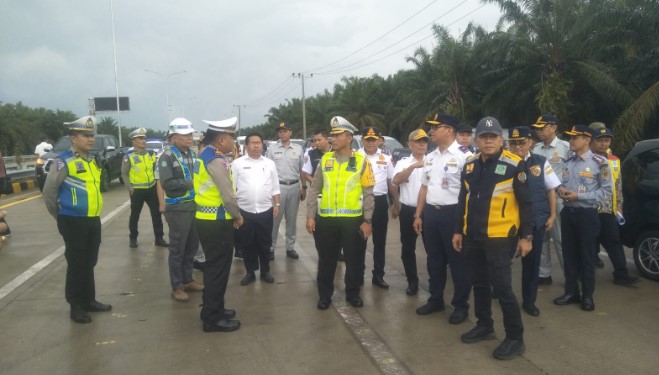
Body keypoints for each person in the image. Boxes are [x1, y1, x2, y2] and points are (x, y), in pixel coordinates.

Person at [453, 116, 533, 360]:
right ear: (477, 140)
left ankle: (515, 338)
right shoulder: (470, 165)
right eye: (483, 137)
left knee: (502, 288)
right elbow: (461, 200)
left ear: (501, 140)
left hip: (501, 238)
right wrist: (458, 230)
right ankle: (485, 325)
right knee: (479, 283)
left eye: (493, 137)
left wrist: (526, 237)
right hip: (473, 236)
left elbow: (527, 203)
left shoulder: (514, 165)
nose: (488, 141)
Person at [42, 116, 112, 323]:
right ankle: (76, 305)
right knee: (76, 263)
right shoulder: (63, 161)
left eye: (91, 135)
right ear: (73, 138)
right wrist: (61, 217)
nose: (90, 139)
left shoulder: (92, 160)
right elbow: (49, 193)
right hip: (73, 220)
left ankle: (89, 299)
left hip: (92, 219)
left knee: (90, 261)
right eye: (85, 135)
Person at [306, 116, 375, 309]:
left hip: (353, 221)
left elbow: (369, 194)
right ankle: (324, 296)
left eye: (337, 135)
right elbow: (314, 189)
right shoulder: (325, 160)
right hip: (326, 220)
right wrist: (311, 216)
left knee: (354, 260)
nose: (332, 139)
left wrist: (367, 220)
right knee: (326, 260)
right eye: (332, 135)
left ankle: (353, 294)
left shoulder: (362, 161)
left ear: (349, 137)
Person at [412, 113, 472, 324]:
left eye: (435, 127)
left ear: (448, 129)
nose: (431, 131)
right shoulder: (430, 157)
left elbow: (470, 192)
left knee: (458, 263)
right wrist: (418, 214)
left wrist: (463, 222)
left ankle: (461, 306)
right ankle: (436, 299)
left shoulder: (465, 156)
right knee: (434, 261)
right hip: (431, 214)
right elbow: (424, 187)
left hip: (453, 214)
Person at [554, 125, 612, 312]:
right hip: (568, 213)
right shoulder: (568, 161)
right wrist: (560, 190)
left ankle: (587, 295)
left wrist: (578, 197)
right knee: (569, 254)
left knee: (587, 256)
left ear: (587, 140)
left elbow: (606, 192)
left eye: (575, 138)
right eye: (570, 137)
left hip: (587, 215)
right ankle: (571, 291)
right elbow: (560, 183)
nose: (571, 141)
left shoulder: (599, 163)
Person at [194, 118, 243, 333]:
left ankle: (213, 308)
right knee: (217, 270)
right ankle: (212, 319)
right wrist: (237, 216)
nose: (233, 141)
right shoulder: (216, 159)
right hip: (217, 222)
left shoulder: (205, 155)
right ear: (222, 139)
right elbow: (227, 194)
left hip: (207, 220)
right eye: (231, 137)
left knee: (214, 268)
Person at [507, 126, 560, 317]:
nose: (517, 147)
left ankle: (529, 301)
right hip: (509, 221)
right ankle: (499, 291)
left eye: (521, 142)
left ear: (530, 142)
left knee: (532, 262)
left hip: (536, 219)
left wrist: (552, 215)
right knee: (502, 260)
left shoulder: (540, 162)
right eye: (513, 143)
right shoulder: (503, 162)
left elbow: (550, 189)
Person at [159, 118, 204, 302]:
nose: (189, 138)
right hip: (177, 209)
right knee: (178, 248)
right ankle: (177, 286)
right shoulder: (166, 157)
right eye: (185, 135)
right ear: (174, 137)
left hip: (193, 206)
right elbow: (167, 183)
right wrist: (190, 183)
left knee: (191, 247)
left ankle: (187, 280)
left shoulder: (191, 155)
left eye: (190, 134)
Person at [590, 127, 639, 285]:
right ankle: (584, 276)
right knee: (588, 244)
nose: (604, 143)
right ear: (591, 141)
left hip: (608, 210)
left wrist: (619, 206)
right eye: (600, 140)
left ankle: (621, 273)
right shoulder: (584, 159)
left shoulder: (614, 160)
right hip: (589, 209)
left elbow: (617, 186)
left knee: (614, 242)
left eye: (607, 140)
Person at [232, 133, 280, 285]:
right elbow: (232, 189)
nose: (256, 145)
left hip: (265, 210)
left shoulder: (269, 163)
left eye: (259, 142)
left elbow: (275, 186)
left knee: (265, 243)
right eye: (253, 143)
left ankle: (265, 271)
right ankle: (250, 272)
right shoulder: (237, 164)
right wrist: (235, 212)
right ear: (246, 146)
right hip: (245, 211)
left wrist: (277, 204)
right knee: (247, 244)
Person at [358, 127, 399, 289]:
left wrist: (396, 203)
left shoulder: (386, 158)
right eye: (367, 139)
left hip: (381, 202)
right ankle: (359, 274)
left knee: (380, 242)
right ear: (362, 140)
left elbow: (391, 182)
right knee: (360, 240)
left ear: (379, 140)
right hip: (361, 202)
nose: (370, 143)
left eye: (373, 139)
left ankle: (378, 275)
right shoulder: (355, 156)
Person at [531, 114, 570, 285]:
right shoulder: (536, 149)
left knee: (561, 240)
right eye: (537, 128)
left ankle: (570, 275)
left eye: (542, 128)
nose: (538, 131)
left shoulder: (565, 147)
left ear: (553, 127)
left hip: (559, 201)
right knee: (542, 239)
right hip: (540, 201)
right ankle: (544, 274)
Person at [392, 129, 429, 295]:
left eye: (424, 141)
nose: (422, 144)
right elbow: (396, 180)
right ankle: (412, 282)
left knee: (433, 249)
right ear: (409, 144)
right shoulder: (403, 162)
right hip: (408, 210)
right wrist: (413, 166)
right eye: (418, 141)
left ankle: (435, 283)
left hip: (429, 211)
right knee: (408, 249)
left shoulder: (433, 161)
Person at [121, 128, 168, 249]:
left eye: (144, 138)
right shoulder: (129, 156)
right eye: (140, 138)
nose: (143, 141)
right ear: (134, 141)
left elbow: (155, 170)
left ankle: (159, 238)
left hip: (151, 188)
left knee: (156, 214)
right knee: (135, 215)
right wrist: (130, 188)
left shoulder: (151, 154)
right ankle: (133, 238)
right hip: (137, 190)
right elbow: (124, 173)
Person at [267, 122, 305, 260]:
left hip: (294, 187)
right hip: (278, 188)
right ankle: (270, 248)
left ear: (290, 133)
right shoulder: (272, 149)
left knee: (291, 219)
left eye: (285, 131)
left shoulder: (298, 149)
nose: (282, 133)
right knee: (275, 219)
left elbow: (302, 170)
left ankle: (290, 247)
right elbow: (268, 170)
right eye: (280, 131)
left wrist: (304, 187)